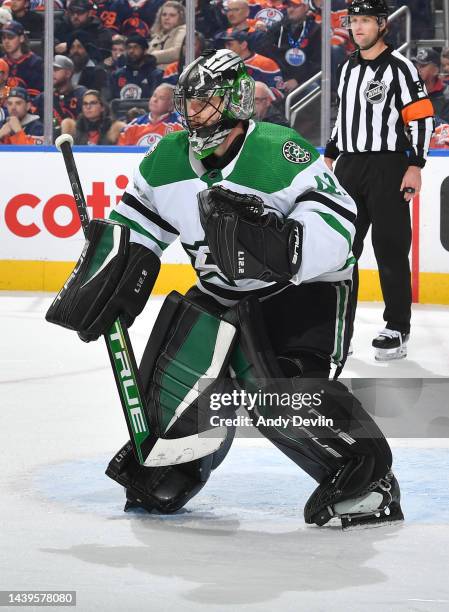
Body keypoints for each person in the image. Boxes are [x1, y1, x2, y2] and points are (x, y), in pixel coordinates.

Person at [47, 49, 403, 530]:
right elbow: (135, 229)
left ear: (235, 101)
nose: (194, 115)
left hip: (305, 290)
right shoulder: (165, 159)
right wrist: (107, 276)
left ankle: (367, 478)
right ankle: (178, 461)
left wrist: (287, 246)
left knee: (284, 389)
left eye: (206, 104)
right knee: (185, 375)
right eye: (189, 105)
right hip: (223, 290)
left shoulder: (280, 151)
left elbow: (339, 224)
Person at [324, 0, 435, 361]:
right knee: (342, 252)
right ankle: (340, 328)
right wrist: (330, 152)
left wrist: (415, 165)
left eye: (365, 21)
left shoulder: (400, 68)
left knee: (390, 249)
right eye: (353, 21)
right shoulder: (347, 68)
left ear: (382, 25)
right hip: (349, 168)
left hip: (388, 167)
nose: (357, 28)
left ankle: (397, 327)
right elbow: (343, 116)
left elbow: (420, 118)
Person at [253, 0, 321, 93]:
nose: (291, 10)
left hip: (303, 80)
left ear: (305, 8)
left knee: (312, 88)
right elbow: (264, 49)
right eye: (289, 6)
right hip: (278, 77)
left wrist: (297, 80)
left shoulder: (316, 30)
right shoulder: (280, 27)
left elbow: (317, 63)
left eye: (295, 6)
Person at [117, 82, 182, 146]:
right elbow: (121, 153)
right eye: (154, 95)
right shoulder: (133, 126)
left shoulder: (180, 127)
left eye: (161, 98)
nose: (155, 100)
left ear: (171, 106)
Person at [33, 55, 86, 127]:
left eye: (55, 69)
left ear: (68, 73)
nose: (51, 73)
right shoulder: (43, 97)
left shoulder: (81, 94)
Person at [111, 34, 162, 99]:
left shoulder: (156, 75)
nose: (131, 51)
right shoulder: (117, 75)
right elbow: (111, 100)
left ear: (145, 50)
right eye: (129, 47)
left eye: (136, 47)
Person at [1, 20, 43, 97]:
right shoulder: (1, 62)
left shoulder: (35, 63)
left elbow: (36, 95)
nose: (6, 41)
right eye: (4, 38)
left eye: (10, 37)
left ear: (21, 38)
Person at [412, 48, 449, 125]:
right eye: (416, 65)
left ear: (435, 70)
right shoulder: (407, 92)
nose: (418, 69)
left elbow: (446, 128)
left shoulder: (447, 95)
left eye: (422, 66)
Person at [147, 1, 186, 70]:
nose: (167, 18)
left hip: (173, 76)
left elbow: (177, 52)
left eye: (172, 15)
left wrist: (153, 57)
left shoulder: (185, 30)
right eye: (164, 15)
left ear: (180, 17)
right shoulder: (158, 36)